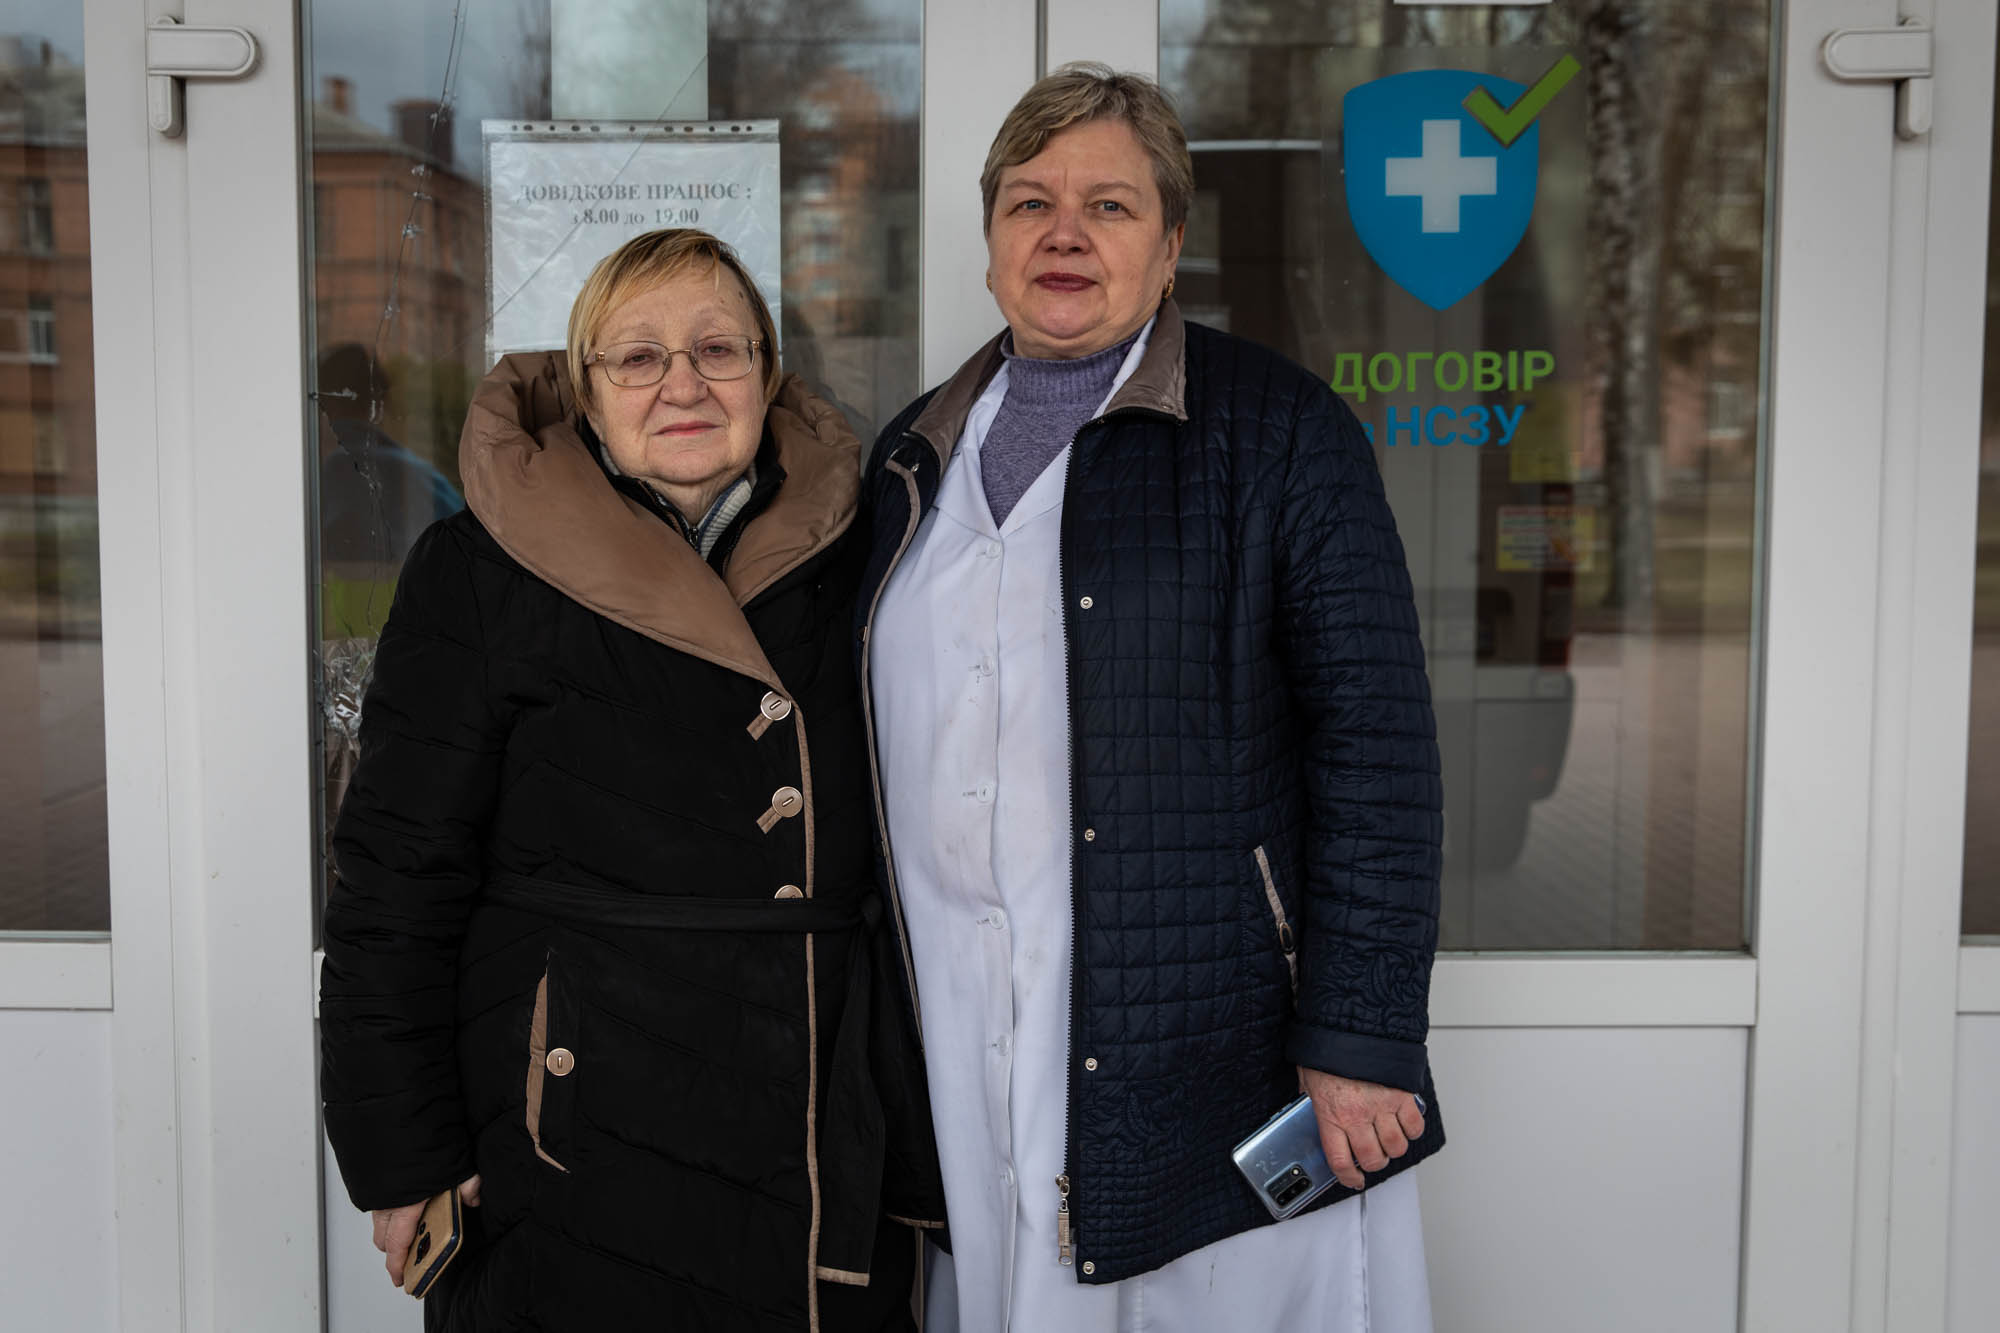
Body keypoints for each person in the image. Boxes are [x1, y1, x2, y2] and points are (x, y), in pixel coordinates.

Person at [857, 64, 1444, 1331]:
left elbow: (1377, 751)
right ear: (990, 240)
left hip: (1206, 1038)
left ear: (1170, 245)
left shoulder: (1273, 433)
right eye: (1029, 202)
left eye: (1109, 206)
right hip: (961, 1024)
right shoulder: (911, 452)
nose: (1063, 233)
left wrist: (1359, 1034)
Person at [320, 229, 943, 1332]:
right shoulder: (477, 570)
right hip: (566, 1138)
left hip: (814, 1125)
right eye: (638, 357)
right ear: (585, 389)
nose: (683, 385)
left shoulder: (868, 552)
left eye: (718, 349)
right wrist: (400, 1153)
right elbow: (395, 880)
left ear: (768, 373)